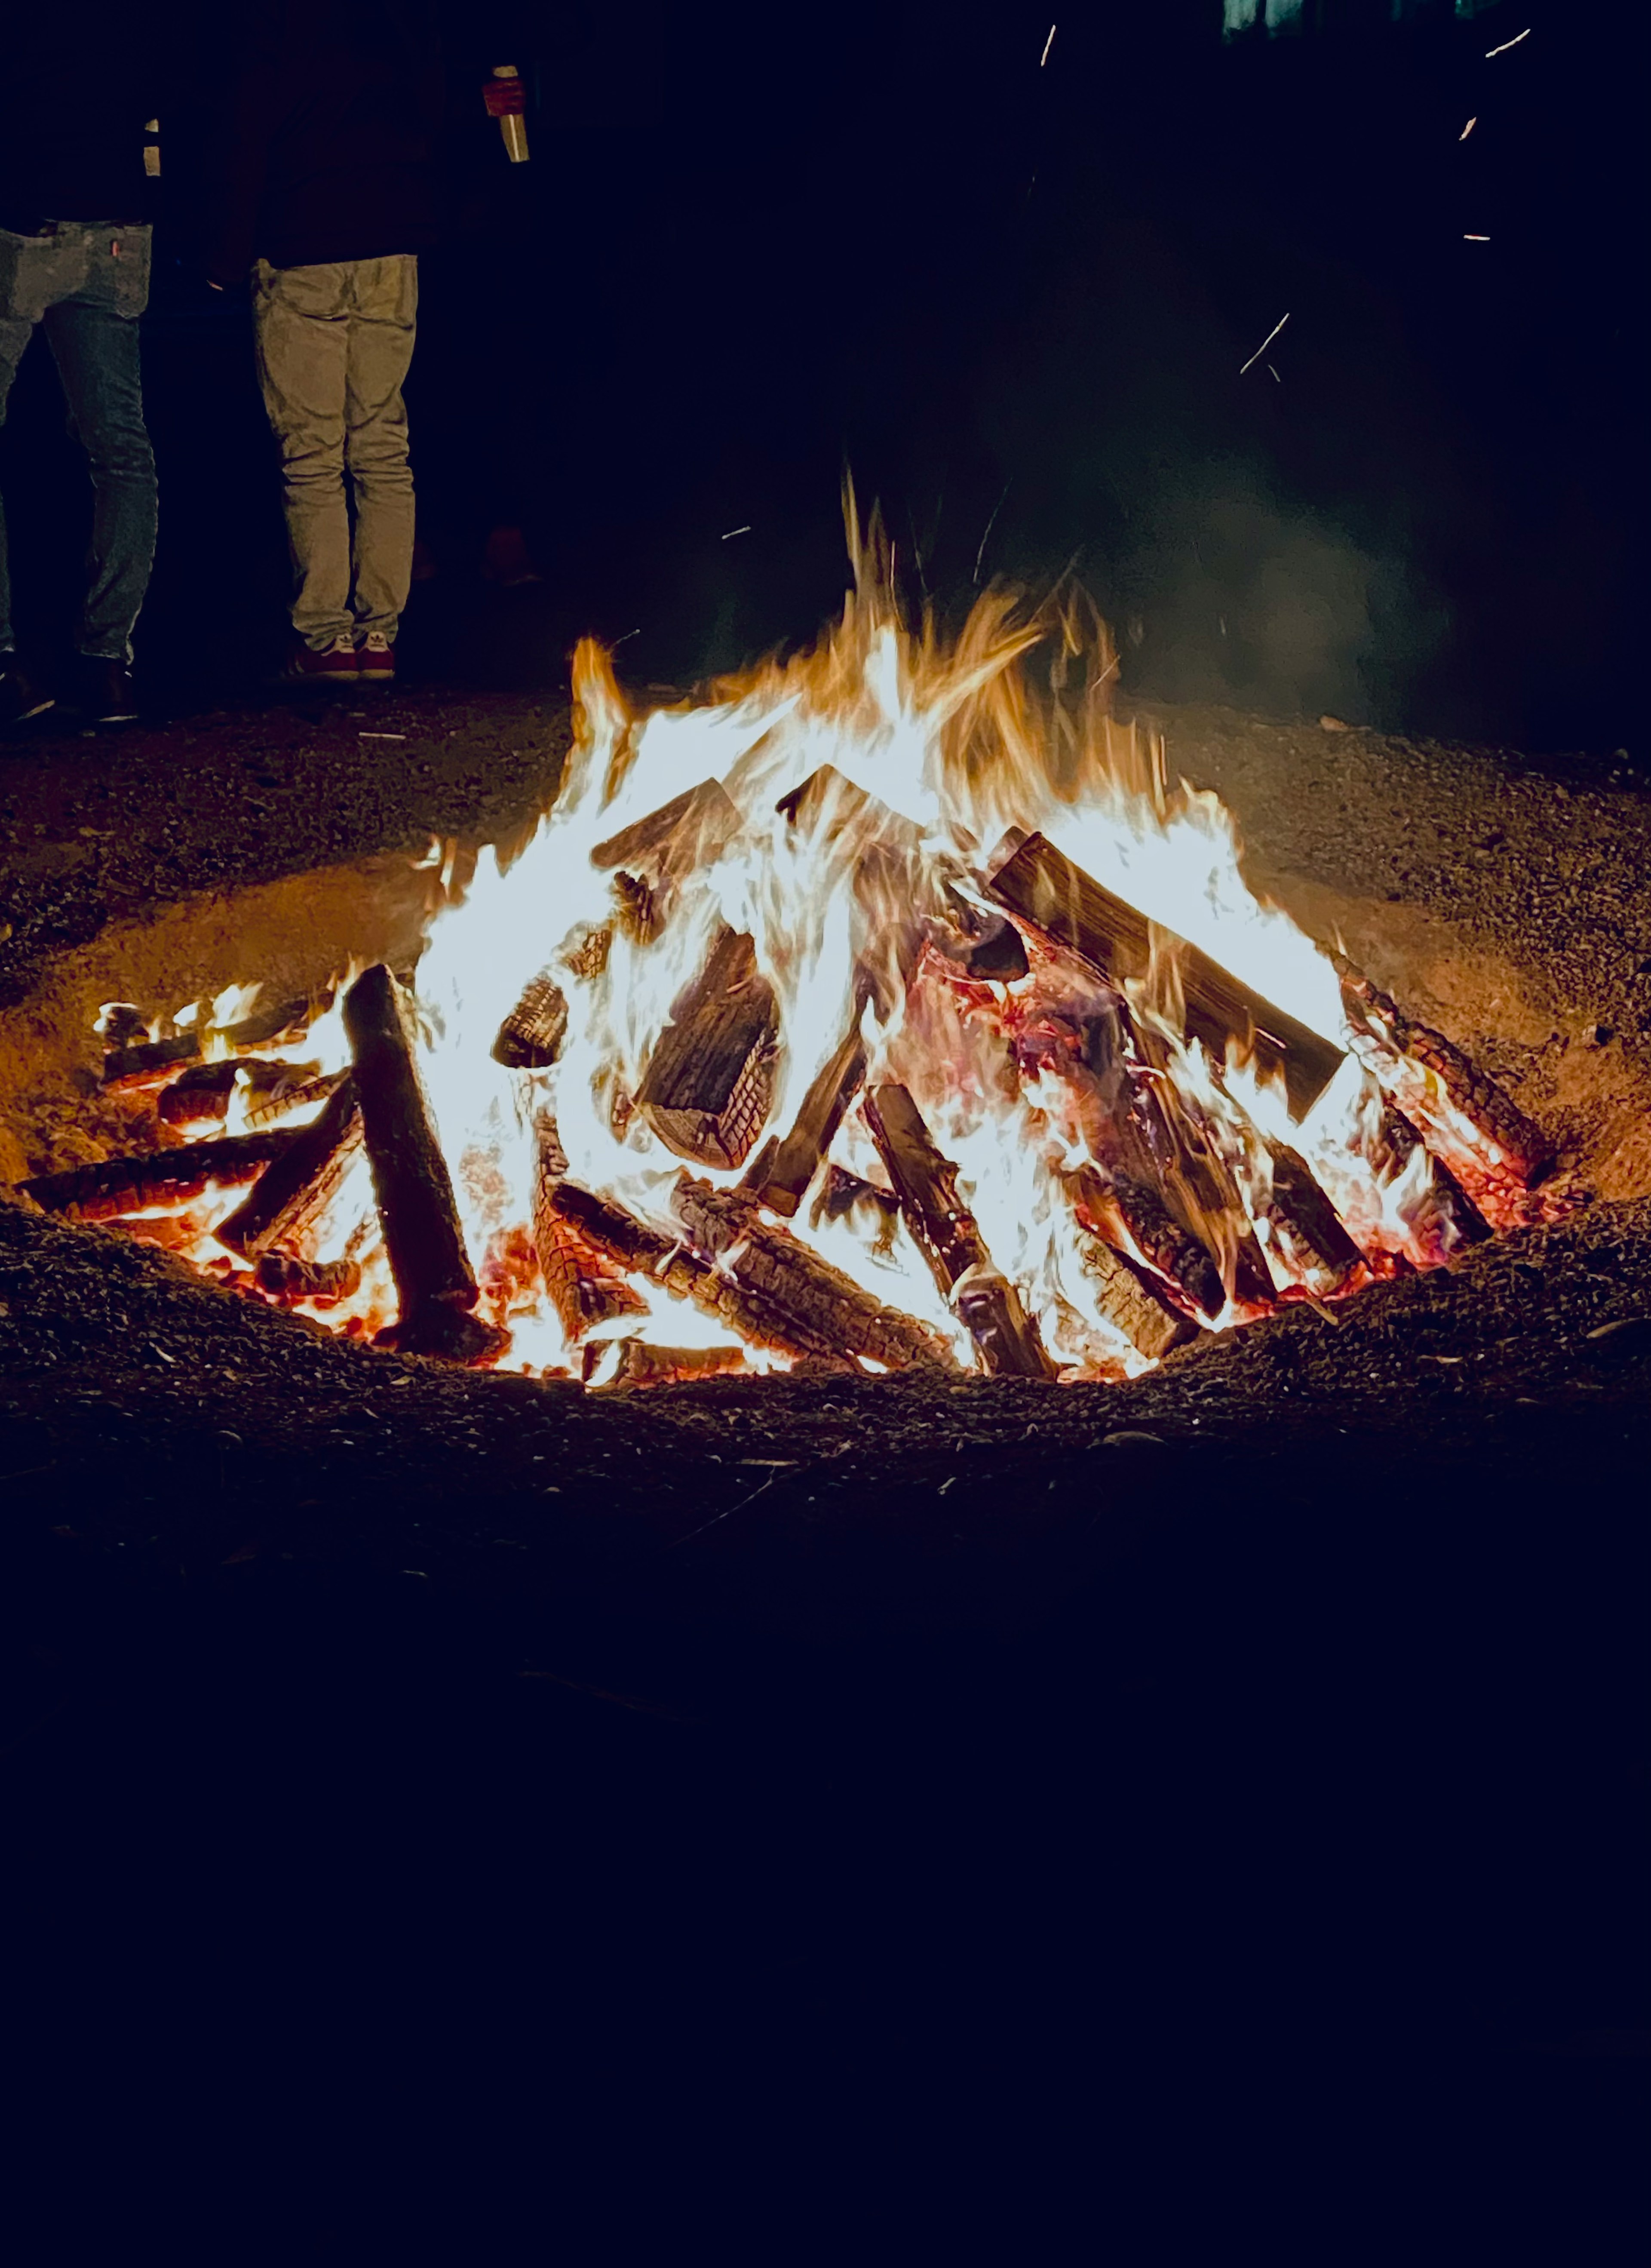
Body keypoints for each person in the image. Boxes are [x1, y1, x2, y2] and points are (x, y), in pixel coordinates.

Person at [204, 1, 450, 684]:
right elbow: (434, 99)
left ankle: (326, 639)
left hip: (301, 235)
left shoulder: (269, 21)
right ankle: (380, 636)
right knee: (381, 443)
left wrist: (225, 252)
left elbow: (245, 124)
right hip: (392, 234)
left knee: (311, 451)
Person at [0, 15, 171, 728]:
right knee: (120, 450)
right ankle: (108, 664)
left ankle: (6, 666)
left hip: (26, 218)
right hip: (118, 223)